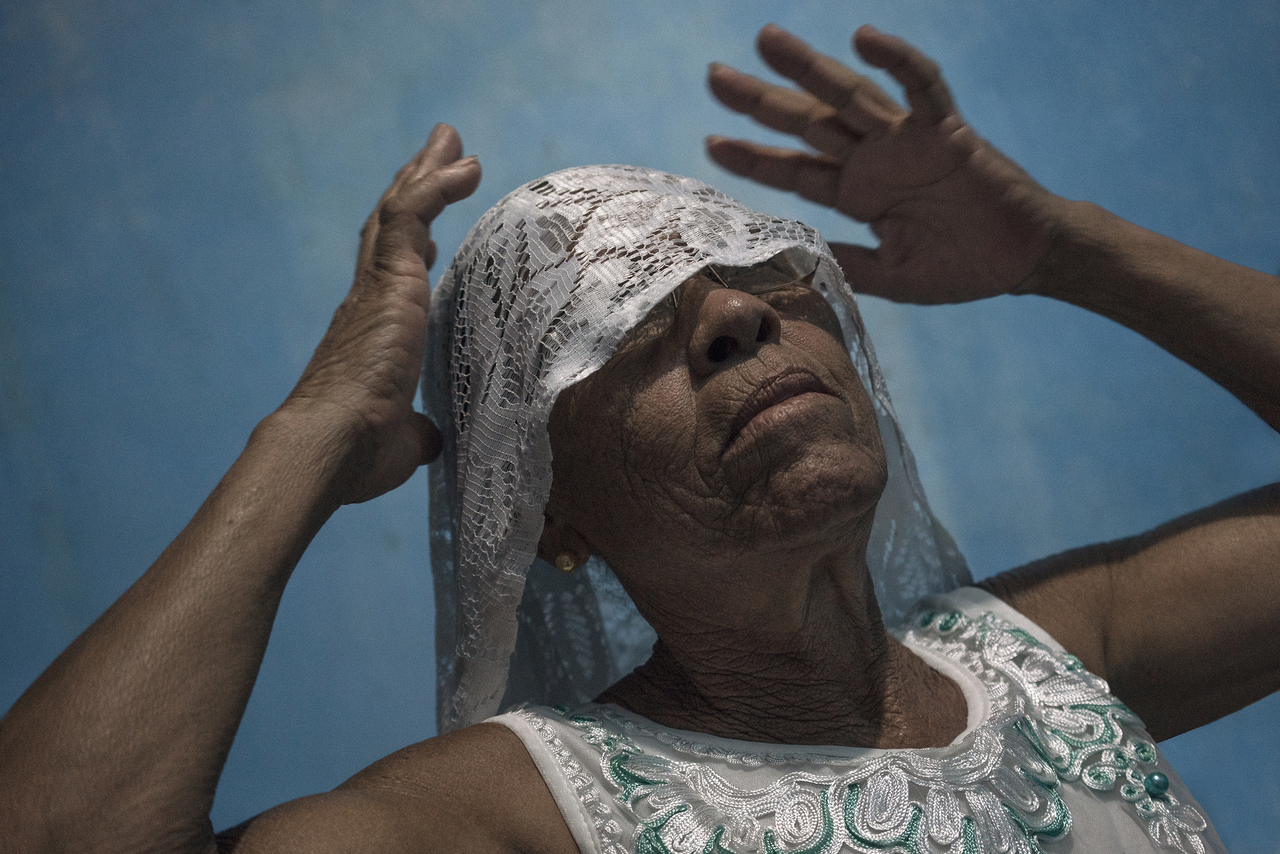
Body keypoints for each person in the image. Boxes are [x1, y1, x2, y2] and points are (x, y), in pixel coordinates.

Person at [1, 21, 1276, 854]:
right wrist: (314, 430)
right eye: (612, 326)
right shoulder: (520, 815)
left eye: (760, 273)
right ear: (548, 511)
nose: (732, 312)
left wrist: (1065, 250)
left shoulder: (1056, 659)